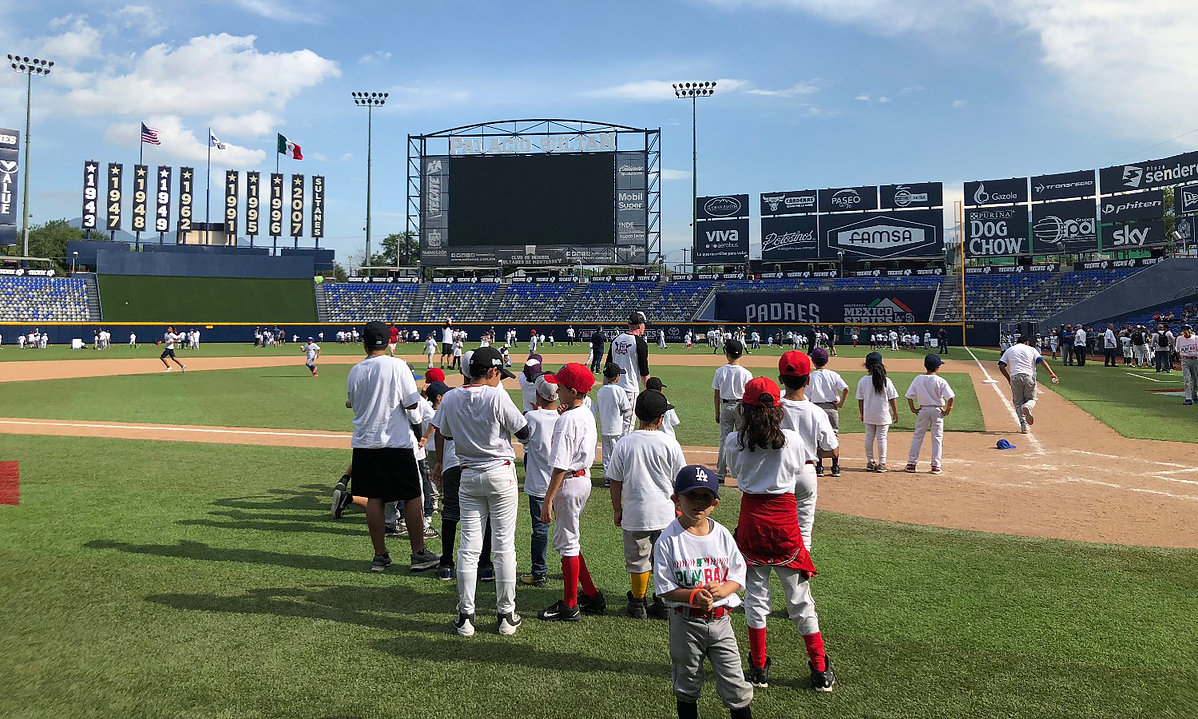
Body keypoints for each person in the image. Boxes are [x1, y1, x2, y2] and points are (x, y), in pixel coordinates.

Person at [724, 377, 835, 693]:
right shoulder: (792, 440)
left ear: (745, 407)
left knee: (756, 599)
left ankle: (758, 668)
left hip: (751, 524)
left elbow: (735, 473)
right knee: (800, 601)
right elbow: (799, 477)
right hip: (784, 525)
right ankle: (819, 669)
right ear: (778, 407)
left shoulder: (734, 441)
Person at [433, 346, 529, 637]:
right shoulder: (497, 395)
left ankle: (465, 615)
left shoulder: (450, 397)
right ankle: (505, 614)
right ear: (492, 372)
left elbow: (446, 433)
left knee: (468, 548)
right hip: (500, 472)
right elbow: (524, 432)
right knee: (503, 547)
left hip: (468, 474)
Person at [653, 465, 753, 719]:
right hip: (685, 622)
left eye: (705, 497)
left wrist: (723, 589)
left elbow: (737, 576)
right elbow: (665, 588)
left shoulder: (721, 535)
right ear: (676, 499)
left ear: (715, 503)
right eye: (691, 496)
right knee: (686, 684)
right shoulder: (668, 540)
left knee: (735, 683)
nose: (698, 503)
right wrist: (692, 596)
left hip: (721, 621)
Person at [344, 321, 441, 573]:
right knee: (411, 496)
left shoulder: (355, 371)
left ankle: (380, 556)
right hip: (395, 441)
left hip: (365, 443)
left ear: (363, 342)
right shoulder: (397, 365)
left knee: (374, 497)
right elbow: (411, 404)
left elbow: (353, 404)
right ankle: (418, 553)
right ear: (388, 342)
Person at [608, 389, 686, 620]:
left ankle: (638, 602)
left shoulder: (625, 442)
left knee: (638, 559)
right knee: (662, 558)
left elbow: (615, 479)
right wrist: (679, 508)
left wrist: (617, 508)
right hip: (664, 512)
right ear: (661, 419)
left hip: (635, 512)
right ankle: (661, 601)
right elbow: (680, 480)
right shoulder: (669, 443)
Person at [538, 363, 606, 622]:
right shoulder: (584, 411)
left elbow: (559, 466)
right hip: (582, 479)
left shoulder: (567, 420)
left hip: (569, 482)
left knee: (568, 542)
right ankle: (590, 594)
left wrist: (547, 500)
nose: (556, 389)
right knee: (570, 539)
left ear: (573, 390)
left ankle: (570, 604)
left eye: (561, 387)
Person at [775, 351, 837, 550]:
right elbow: (832, 451)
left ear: (780, 379)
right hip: (806, 469)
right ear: (808, 380)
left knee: (775, 522)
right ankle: (801, 575)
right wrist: (816, 452)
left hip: (777, 469)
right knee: (803, 530)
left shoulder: (773, 407)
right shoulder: (816, 412)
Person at [519, 375, 560, 588]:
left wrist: (534, 412)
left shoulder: (532, 418)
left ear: (538, 394)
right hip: (562, 482)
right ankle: (570, 568)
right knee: (568, 529)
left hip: (538, 483)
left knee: (540, 529)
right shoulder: (565, 416)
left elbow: (522, 439)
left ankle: (539, 572)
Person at [998, 334, 1059, 433]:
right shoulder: (1031, 349)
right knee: (1032, 399)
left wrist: (1009, 378)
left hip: (1015, 376)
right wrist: (1051, 373)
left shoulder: (1010, 350)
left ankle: (1024, 426)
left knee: (1018, 402)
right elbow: (1041, 361)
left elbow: (1001, 366)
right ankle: (1027, 407)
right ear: (1027, 342)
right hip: (1029, 376)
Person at [905, 354, 955, 474]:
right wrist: (947, 410)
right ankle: (935, 466)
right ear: (938, 367)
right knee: (937, 438)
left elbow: (909, 396)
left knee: (918, 436)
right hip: (937, 410)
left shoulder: (918, 379)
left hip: (923, 410)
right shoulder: (941, 380)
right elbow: (951, 398)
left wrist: (913, 409)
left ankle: (912, 463)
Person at [712, 338, 752, 485]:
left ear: (726, 354)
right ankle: (741, 472)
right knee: (743, 439)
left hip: (726, 406)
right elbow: (749, 394)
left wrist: (717, 412)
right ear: (740, 354)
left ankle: (721, 474)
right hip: (742, 406)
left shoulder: (720, 371)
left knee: (724, 440)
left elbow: (716, 394)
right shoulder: (746, 373)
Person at [804, 348, 848, 477]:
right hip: (831, 408)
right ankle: (835, 466)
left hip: (816, 408)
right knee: (834, 435)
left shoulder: (811, 376)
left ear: (813, 361)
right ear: (827, 360)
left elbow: (807, 395)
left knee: (817, 436)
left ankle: (820, 467)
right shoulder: (833, 374)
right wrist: (840, 404)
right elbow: (845, 388)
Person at [607, 311, 652, 434]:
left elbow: (608, 368)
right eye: (644, 324)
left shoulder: (616, 340)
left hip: (613, 388)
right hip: (629, 389)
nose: (645, 327)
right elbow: (644, 372)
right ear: (639, 325)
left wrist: (605, 388)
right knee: (627, 426)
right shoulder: (640, 343)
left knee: (613, 425)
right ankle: (623, 453)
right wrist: (650, 392)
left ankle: (612, 452)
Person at [856, 352, 898, 472]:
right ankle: (882, 463)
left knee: (869, 437)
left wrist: (862, 413)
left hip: (869, 413)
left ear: (866, 365)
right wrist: (895, 412)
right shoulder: (886, 380)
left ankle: (870, 462)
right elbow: (892, 398)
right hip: (883, 414)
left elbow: (860, 400)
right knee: (881, 438)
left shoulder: (863, 380)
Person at [597, 363, 633, 487]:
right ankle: (616, 476)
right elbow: (626, 409)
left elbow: (599, 407)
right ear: (617, 377)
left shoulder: (601, 391)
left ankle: (607, 475)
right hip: (616, 427)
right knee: (616, 452)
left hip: (605, 426)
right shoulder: (619, 390)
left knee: (606, 452)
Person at [1176, 325, 1198, 405]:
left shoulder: (1196, 338)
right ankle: (1188, 398)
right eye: (1184, 329)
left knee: (1195, 380)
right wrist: (1180, 359)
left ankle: (1194, 395)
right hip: (1185, 359)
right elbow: (1178, 349)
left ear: (1191, 330)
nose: (1185, 331)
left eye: (1187, 329)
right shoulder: (1180, 338)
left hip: (1195, 359)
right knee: (1187, 379)